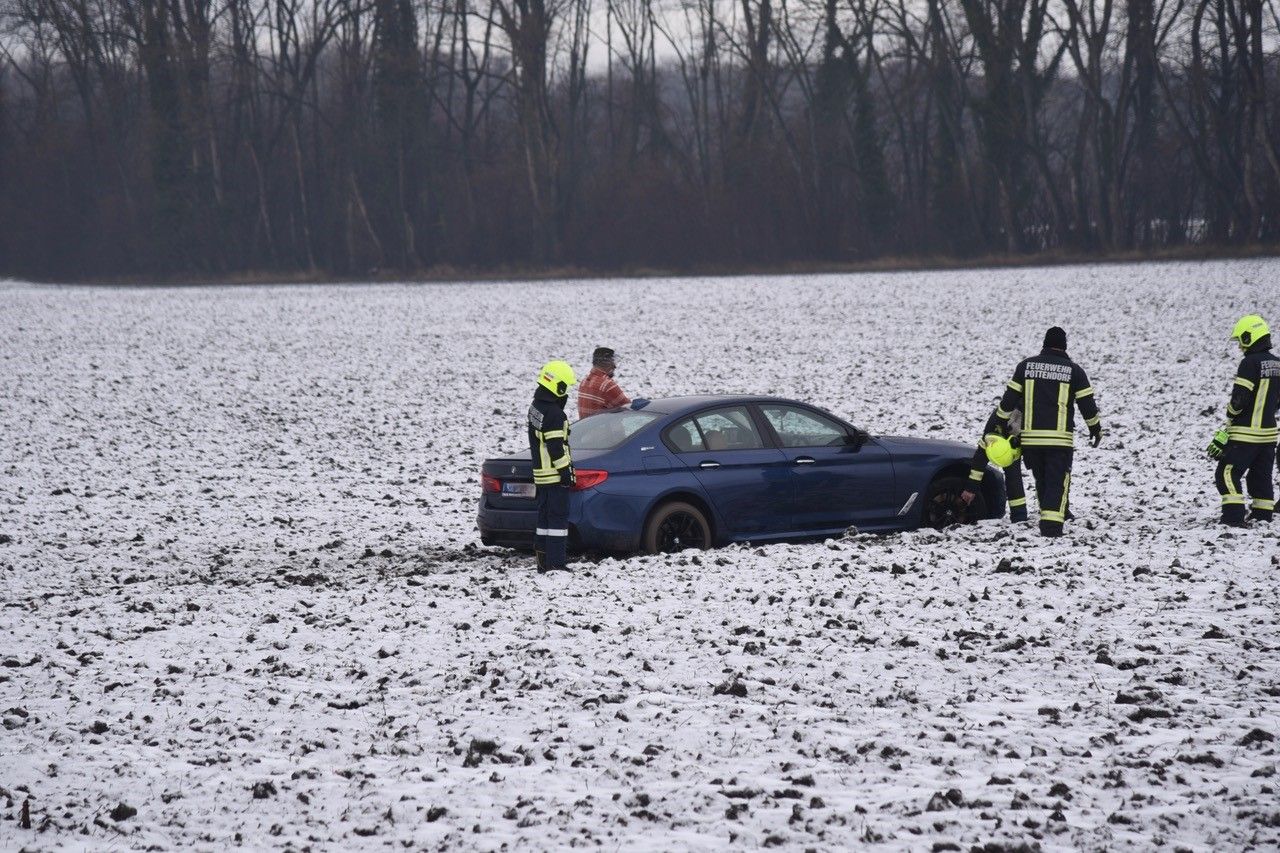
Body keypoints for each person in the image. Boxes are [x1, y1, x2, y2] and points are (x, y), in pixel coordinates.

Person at [984, 327, 1102, 537]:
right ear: (1064, 346)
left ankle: (1047, 519)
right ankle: (1051, 526)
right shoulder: (1074, 371)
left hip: (1031, 441)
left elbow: (1008, 401)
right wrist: (1095, 428)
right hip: (1059, 441)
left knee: (1042, 480)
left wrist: (999, 424)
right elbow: (1087, 405)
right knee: (1057, 481)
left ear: (1044, 344)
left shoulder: (1025, 367)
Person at [1207, 314, 1278, 526]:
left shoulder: (1249, 363)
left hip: (1246, 433)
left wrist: (1230, 415)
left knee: (1227, 473)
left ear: (1250, 337)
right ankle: (1262, 516)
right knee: (1261, 477)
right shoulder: (1277, 364)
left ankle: (1232, 518)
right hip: (1269, 434)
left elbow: (1239, 399)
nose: (1240, 346)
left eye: (1240, 340)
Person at [528, 360, 577, 572]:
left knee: (544, 522)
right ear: (559, 386)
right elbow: (556, 447)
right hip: (554, 477)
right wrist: (565, 472)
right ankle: (556, 565)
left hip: (541, 476)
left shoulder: (536, 407)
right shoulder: (555, 414)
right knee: (557, 523)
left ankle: (543, 563)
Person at [961, 408, 1028, 523]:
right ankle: (1019, 517)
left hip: (1036, 425)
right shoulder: (991, 433)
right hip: (1010, 437)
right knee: (1013, 474)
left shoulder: (1027, 420)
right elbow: (980, 458)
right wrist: (970, 488)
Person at [577, 347, 632, 418]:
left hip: (585, 427)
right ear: (606, 363)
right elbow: (628, 408)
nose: (615, 366)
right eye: (613, 362)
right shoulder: (607, 385)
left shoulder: (584, 382)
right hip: (604, 428)